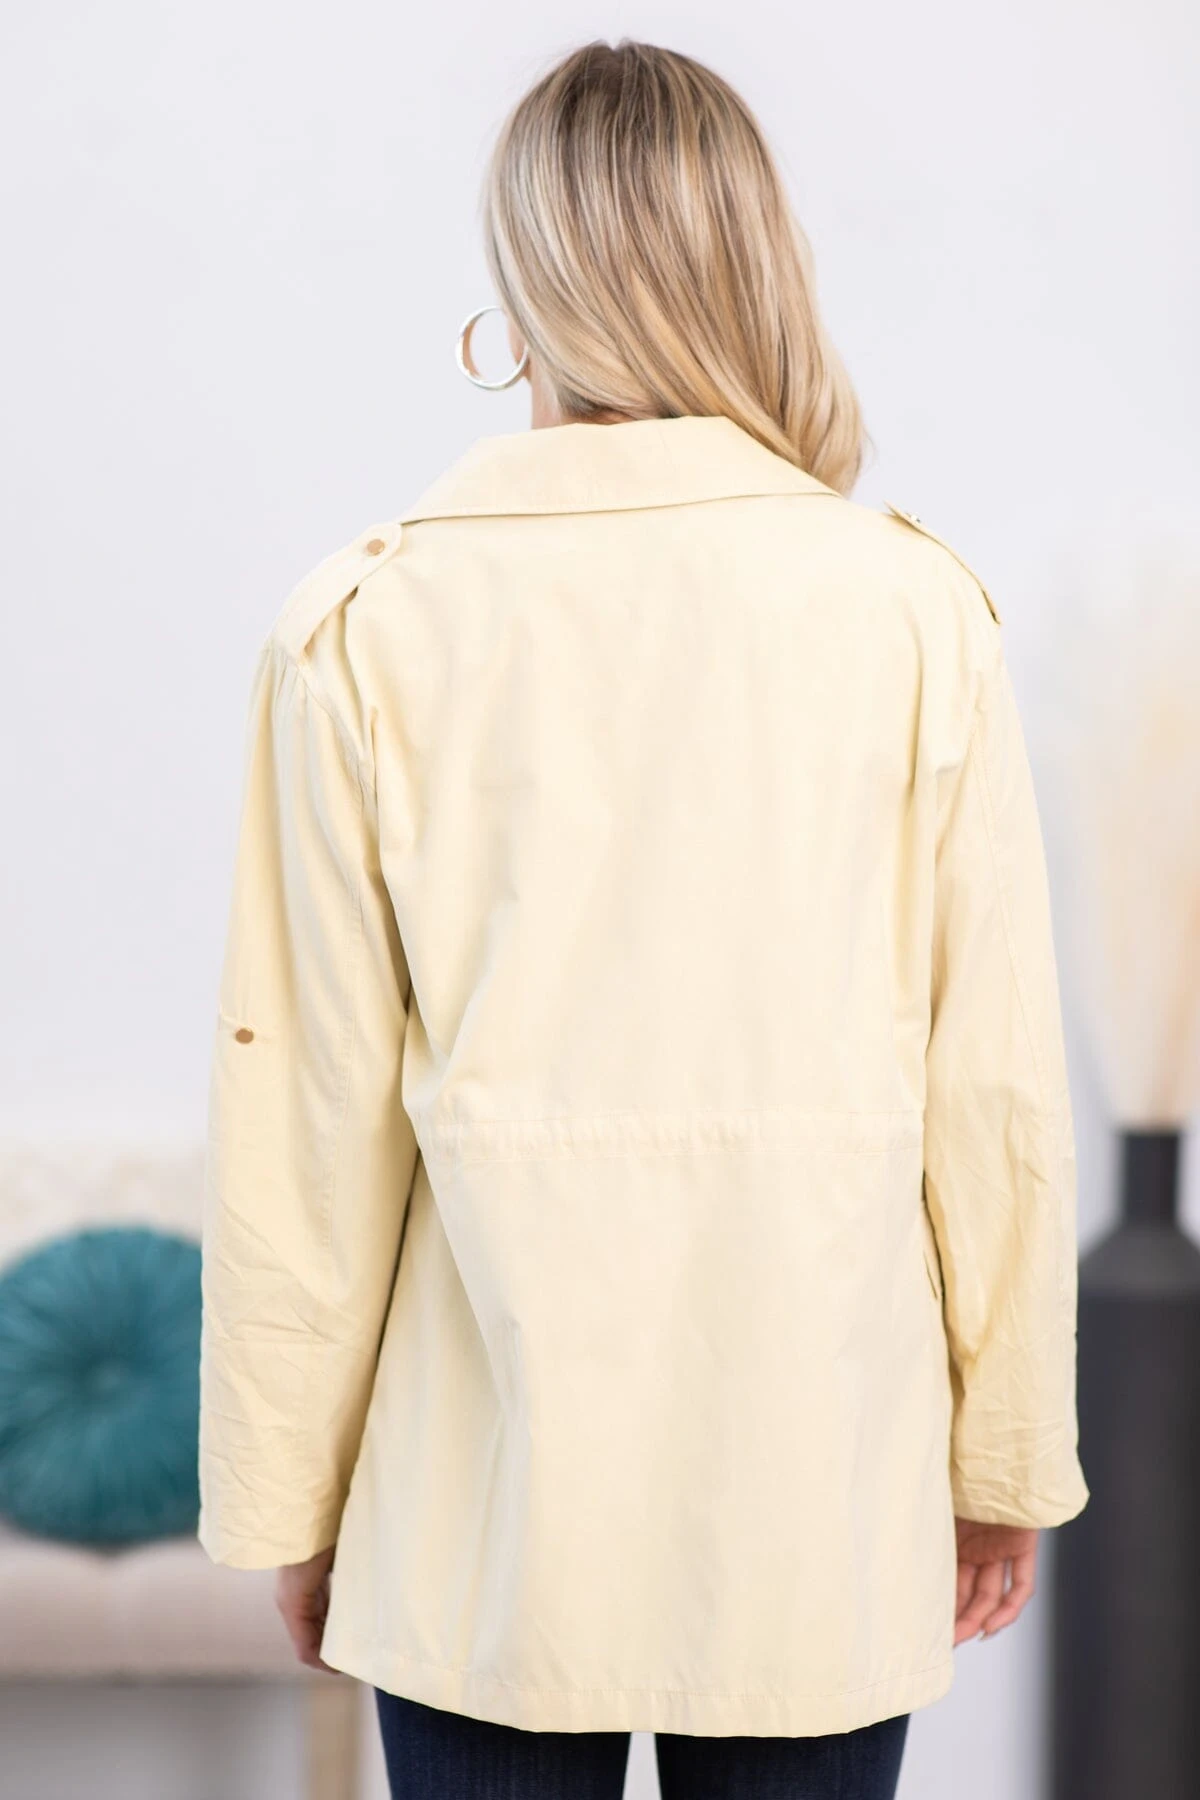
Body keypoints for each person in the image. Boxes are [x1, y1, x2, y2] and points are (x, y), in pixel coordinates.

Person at [197, 37, 1089, 1800]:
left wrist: (295, 1495)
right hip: (820, 1489)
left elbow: (305, 1115)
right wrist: (1003, 1460)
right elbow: (991, 1091)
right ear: (756, 265)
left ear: (523, 290)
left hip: (479, 1506)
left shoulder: (366, 626)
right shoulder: (912, 614)